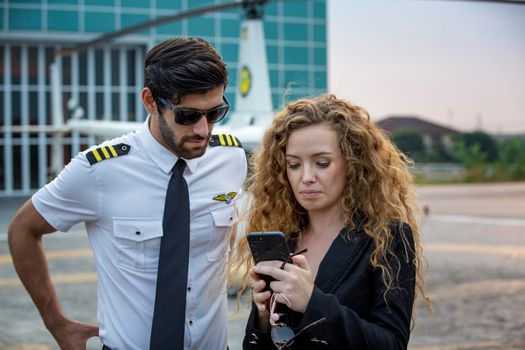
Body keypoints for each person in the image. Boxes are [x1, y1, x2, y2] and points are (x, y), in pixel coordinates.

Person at [8, 37, 247, 349]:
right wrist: (57, 323)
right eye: (188, 116)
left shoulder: (230, 157)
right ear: (150, 101)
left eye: (215, 113)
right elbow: (22, 230)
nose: (203, 130)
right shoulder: (98, 171)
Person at [230, 94, 429, 349]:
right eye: (293, 165)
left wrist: (312, 302)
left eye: (322, 163)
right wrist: (262, 317)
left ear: (353, 164)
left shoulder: (387, 238)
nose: (306, 177)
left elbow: (392, 344)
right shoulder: (284, 239)